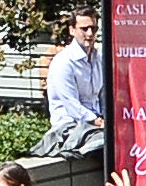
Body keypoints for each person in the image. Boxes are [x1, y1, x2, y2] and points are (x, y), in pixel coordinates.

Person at [35, 9, 109, 159]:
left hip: (96, 124)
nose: (90, 33)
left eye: (93, 28)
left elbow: (102, 95)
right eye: (84, 29)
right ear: (72, 30)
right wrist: (96, 121)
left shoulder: (99, 58)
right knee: (106, 142)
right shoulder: (63, 62)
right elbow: (71, 104)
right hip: (69, 126)